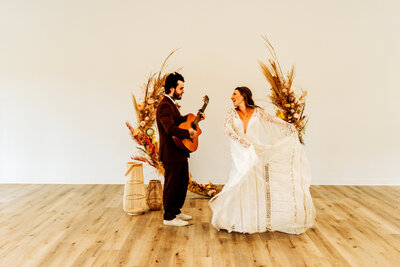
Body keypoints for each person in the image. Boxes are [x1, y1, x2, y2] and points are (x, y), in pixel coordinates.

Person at [209, 86, 315, 234]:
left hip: (256, 150)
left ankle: (254, 220)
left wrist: (290, 126)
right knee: (239, 181)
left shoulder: (257, 112)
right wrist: (243, 142)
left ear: (243, 96)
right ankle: (234, 219)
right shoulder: (231, 113)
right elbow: (227, 130)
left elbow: (273, 120)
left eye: (234, 94)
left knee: (255, 183)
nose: (231, 97)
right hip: (240, 152)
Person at [156, 72, 205, 227]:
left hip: (179, 151)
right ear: (172, 88)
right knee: (171, 184)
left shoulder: (170, 104)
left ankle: (176, 210)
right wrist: (188, 132)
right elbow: (170, 128)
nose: (183, 91)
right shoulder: (164, 105)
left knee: (182, 182)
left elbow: (177, 121)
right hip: (171, 152)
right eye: (181, 88)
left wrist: (194, 118)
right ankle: (168, 217)